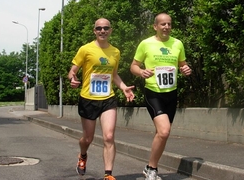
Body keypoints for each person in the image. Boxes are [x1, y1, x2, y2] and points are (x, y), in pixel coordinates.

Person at [68, 18, 135, 180]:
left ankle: (108, 174)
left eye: (106, 28)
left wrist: (124, 87)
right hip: (88, 98)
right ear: (94, 31)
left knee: (109, 136)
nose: (102, 31)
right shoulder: (85, 49)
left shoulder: (115, 52)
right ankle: (83, 155)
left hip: (108, 99)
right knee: (88, 138)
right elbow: (73, 70)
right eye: (99, 28)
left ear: (111, 30)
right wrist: (72, 77)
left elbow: (114, 75)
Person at [130, 13, 192, 180]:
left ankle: (150, 166)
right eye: (163, 24)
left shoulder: (178, 43)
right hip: (153, 93)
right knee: (164, 132)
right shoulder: (146, 44)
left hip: (171, 93)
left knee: (163, 132)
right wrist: (141, 72)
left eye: (169, 24)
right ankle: (152, 168)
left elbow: (182, 64)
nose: (166, 27)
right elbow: (134, 66)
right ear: (155, 26)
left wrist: (186, 69)